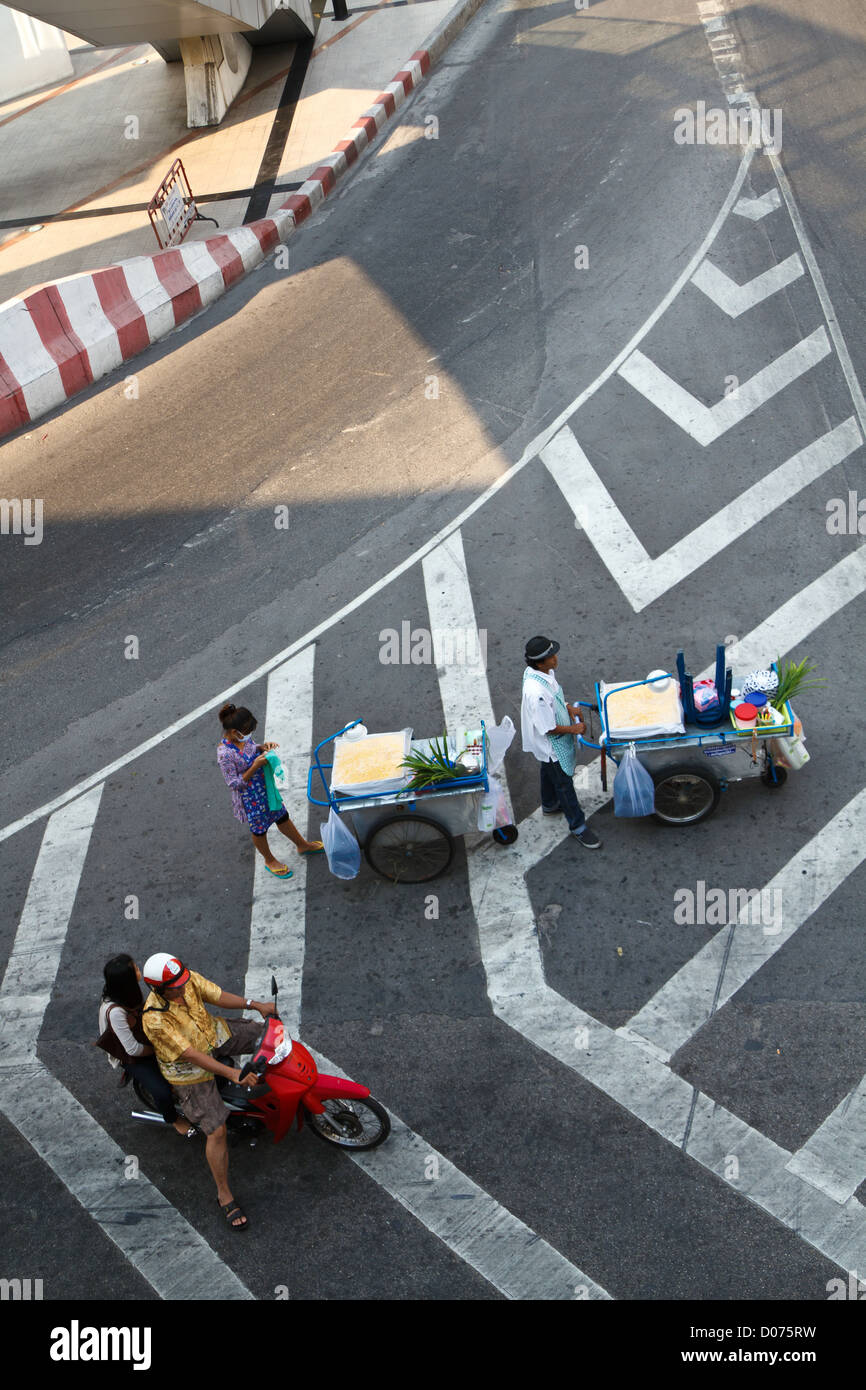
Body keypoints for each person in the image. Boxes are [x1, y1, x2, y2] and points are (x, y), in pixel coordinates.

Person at [141, 953, 276, 1232]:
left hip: (214, 1034)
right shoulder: (154, 1019)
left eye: (182, 982)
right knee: (217, 1131)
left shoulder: (185, 981)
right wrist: (232, 1073)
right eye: (175, 987)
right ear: (158, 988)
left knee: (267, 1036)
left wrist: (255, 1005)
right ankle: (223, 1194)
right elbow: (190, 1055)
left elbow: (216, 995)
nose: (182, 988)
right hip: (190, 1072)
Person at [217, 702, 323, 878]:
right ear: (235, 732)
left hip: (265, 788)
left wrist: (262, 747)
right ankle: (269, 860)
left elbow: (251, 747)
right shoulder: (225, 755)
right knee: (259, 829)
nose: (249, 735)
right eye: (247, 731)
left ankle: (302, 845)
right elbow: (234, 784)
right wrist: (255, 766)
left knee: (282, 816)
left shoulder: (243, 738)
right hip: (251, 799)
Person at [98, 954, 195, 1138]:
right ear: (126, 980)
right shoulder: (115, 1012)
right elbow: (132, 1049)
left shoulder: (129, 992)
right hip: (134, 1056)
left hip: (145, 1036)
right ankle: (173, 1118)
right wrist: (160, 1049)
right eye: (134, 969)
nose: (138, 969)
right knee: (162, 1091)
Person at [521, 635, 602, 849]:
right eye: (550, 656)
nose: (555, 658)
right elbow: (546, 728)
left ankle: (549, 804)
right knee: (564, 785)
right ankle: (578, 826)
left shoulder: (542, 673)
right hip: (551, 744)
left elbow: (554, 696)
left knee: (548, 771)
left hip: (549, 746)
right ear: (539, 662)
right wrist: (574, 729)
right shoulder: (535, 693)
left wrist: (568, 707)